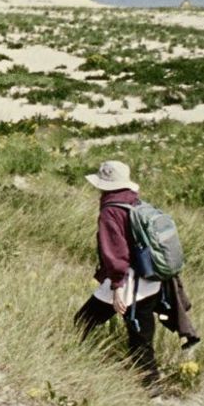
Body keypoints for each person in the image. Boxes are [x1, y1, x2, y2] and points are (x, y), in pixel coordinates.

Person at [73, 160, 163, 390]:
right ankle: (153, 390)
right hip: (151, 279)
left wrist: (117, 289)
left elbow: (116, 254)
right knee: (141, 340)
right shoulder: (135, 202)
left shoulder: (110, 210)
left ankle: (73, 363)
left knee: (83, 322)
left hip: (127, 283)